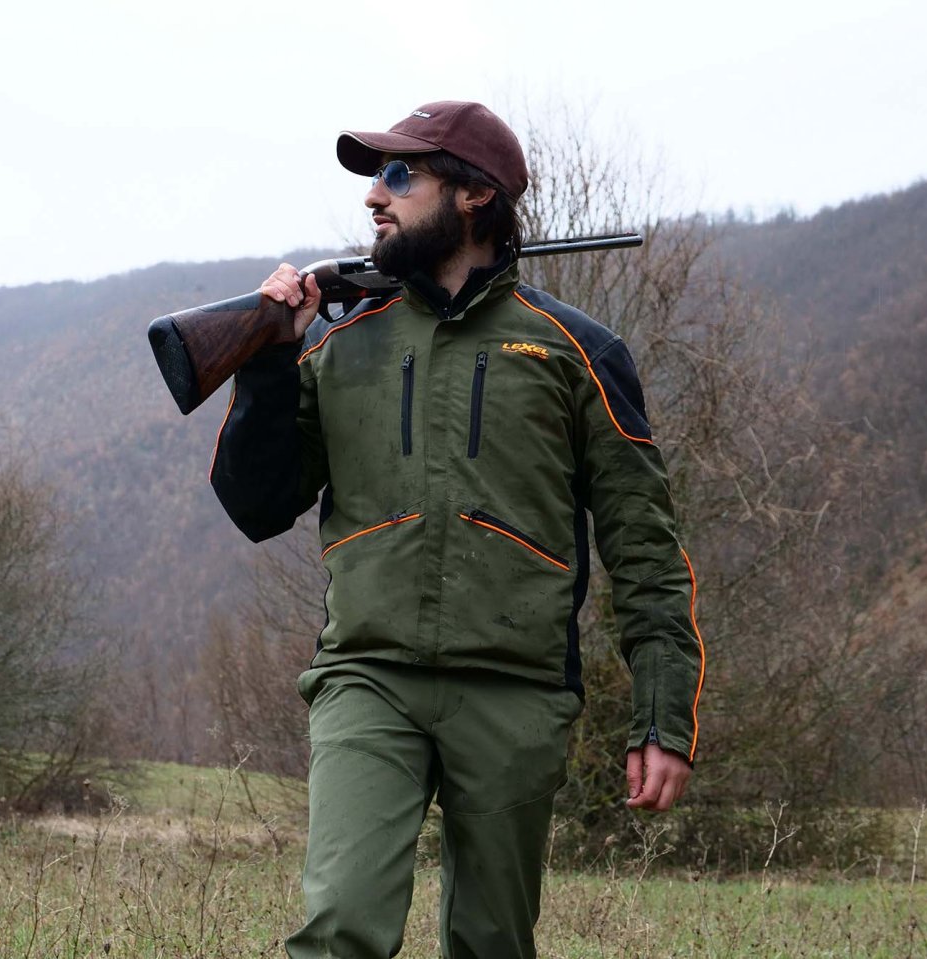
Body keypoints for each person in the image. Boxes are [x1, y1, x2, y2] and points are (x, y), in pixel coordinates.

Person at [207, 101, 705, 959]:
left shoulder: (577, 351)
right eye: (376, 177)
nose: (374, 195)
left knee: (491, 942)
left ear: (474, 195)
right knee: (338, 930)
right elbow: (256, 506)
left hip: (516, 689)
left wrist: (662, 715)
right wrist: (266, 363)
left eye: (399, 175)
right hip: (367, 676)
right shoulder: (336, 344)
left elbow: (644, 545)